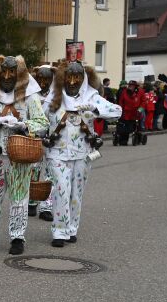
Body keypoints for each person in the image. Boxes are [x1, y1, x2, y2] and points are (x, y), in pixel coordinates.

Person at [0, 55, 49, 256]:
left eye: (11, 72)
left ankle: (17, 237)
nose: (6, 76)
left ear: (19, 74)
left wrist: (24, 125)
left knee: (20, 198)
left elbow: (42, 122)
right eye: (3, 71)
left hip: (19, 156)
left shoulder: (29, 94)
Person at [43, 62, 121, 246]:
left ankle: (71, 229)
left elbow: (117, 112)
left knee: (76, 193)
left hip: (83, 153)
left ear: (83, 79)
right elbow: (39, 120)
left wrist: (94, 109)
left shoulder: (92, 97)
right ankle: (59, 232)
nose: (72, 82)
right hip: (57, 153)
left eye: (76, 77)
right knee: (61, 189)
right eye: (68, 77)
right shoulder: (53, 98)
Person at [28, 64, 55, 221]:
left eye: (47, 79)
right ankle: (31, 202)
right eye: (40, 79)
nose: (43, 82)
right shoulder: (32, 95)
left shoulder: (56, 95)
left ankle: (47, 206)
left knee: (51, 173)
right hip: (36, 138)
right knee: (34, 171)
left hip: (53, 139)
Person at [115, 80, 145, 146]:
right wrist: (120, 109)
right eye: (129, 85)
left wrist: (140, 109)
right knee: (125, 128)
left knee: (136, 127)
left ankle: (138, 139)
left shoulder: (140, 92)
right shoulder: (124, 92)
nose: (130, 86)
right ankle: (123, 141)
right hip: (126, 112)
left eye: (132, 85)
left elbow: (143, 102)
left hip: (136, 112)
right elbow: (121, 101)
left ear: (135, 86)